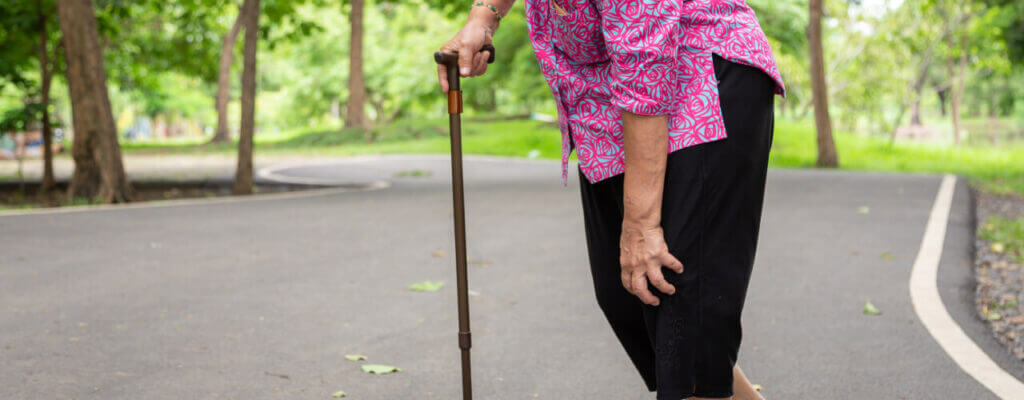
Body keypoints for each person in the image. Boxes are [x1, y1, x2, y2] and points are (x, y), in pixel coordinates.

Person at [438, 1, 785, 399]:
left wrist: (642, 223)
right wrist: (484, 16)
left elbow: (645, 63)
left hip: (700, 81)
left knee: (680, 309)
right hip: (606, 103)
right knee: (629, 298)